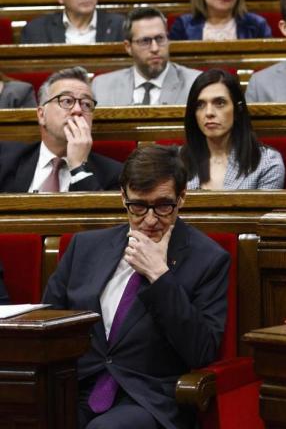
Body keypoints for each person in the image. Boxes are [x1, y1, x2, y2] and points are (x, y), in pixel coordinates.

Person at [42, 144, 229, 429]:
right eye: (139, 206)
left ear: (182, 198)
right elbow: (49, 324)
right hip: (77, 389)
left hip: (148, 399)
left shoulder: (209, 260)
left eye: (163, 205)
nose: (151, 219)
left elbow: (201, 351)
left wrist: (160, 276)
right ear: (123, 198)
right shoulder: (85, 248)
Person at [0, 67, 122, 193]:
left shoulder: (113, 174)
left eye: (86, 104)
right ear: (42, 115)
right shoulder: (5, 160)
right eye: (66, 101)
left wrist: (78, 166)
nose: (78, 110)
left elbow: (101, 213)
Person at [181, 69, 284, 190]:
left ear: (237, 109)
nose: (209, 113)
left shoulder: (266, 163)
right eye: (200, 105)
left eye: (220, 103)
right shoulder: (175, 162)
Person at [93, 7, 201, 107]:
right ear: (128, 47)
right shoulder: (102, 86)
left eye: (160, 38)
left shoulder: (195, 84)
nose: (155, 48)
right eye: (145, 41)